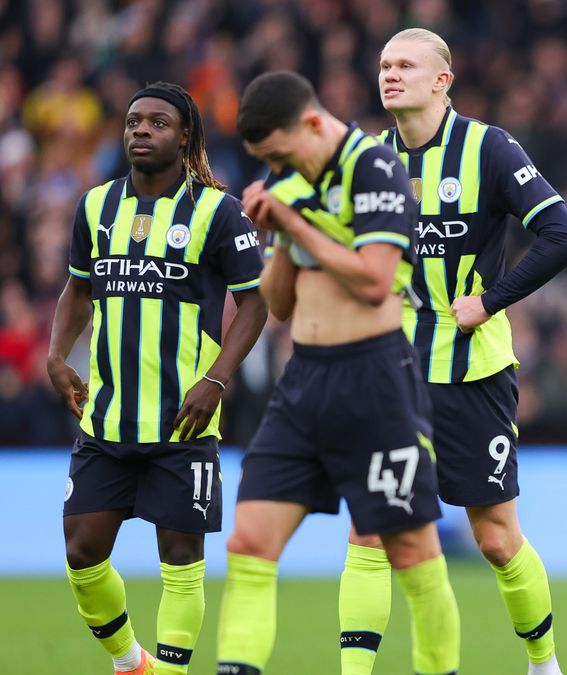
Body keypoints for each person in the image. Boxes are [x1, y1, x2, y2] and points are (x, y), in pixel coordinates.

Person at [329, 28, 567, 675]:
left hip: (474, 373)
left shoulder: (489, 149)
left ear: (442, 80)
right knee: (369, 530)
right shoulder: (363, 163)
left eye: (406, 64)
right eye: (384, 64)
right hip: (391, 375)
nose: (391, 74)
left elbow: (562, 234)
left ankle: (543, 664)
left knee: (496, 540)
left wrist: (491, 299)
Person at [215, 71, 459, 675]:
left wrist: (296, 225)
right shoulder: (288, 184)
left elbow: (376, 281)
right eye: (267, 162)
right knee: (248, 543)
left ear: (315, 124)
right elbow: (282, 305)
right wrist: (272, 239)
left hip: (375, 380)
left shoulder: (375, 168)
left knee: (412, 554)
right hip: (303, 383)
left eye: (280, 153)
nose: (277, 167)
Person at [47, 82, 268, 675]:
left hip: (184, 420)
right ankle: (130, 662)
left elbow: (254, 304)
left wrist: (217, 379)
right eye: (133, 122)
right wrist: (55, 354)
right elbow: (78, 288)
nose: (141, 130)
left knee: (180, 557)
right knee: (81, 553)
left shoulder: (217, 211)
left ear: (186, 137)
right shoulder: (96, 206)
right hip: (107, 417)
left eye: (158, 123)